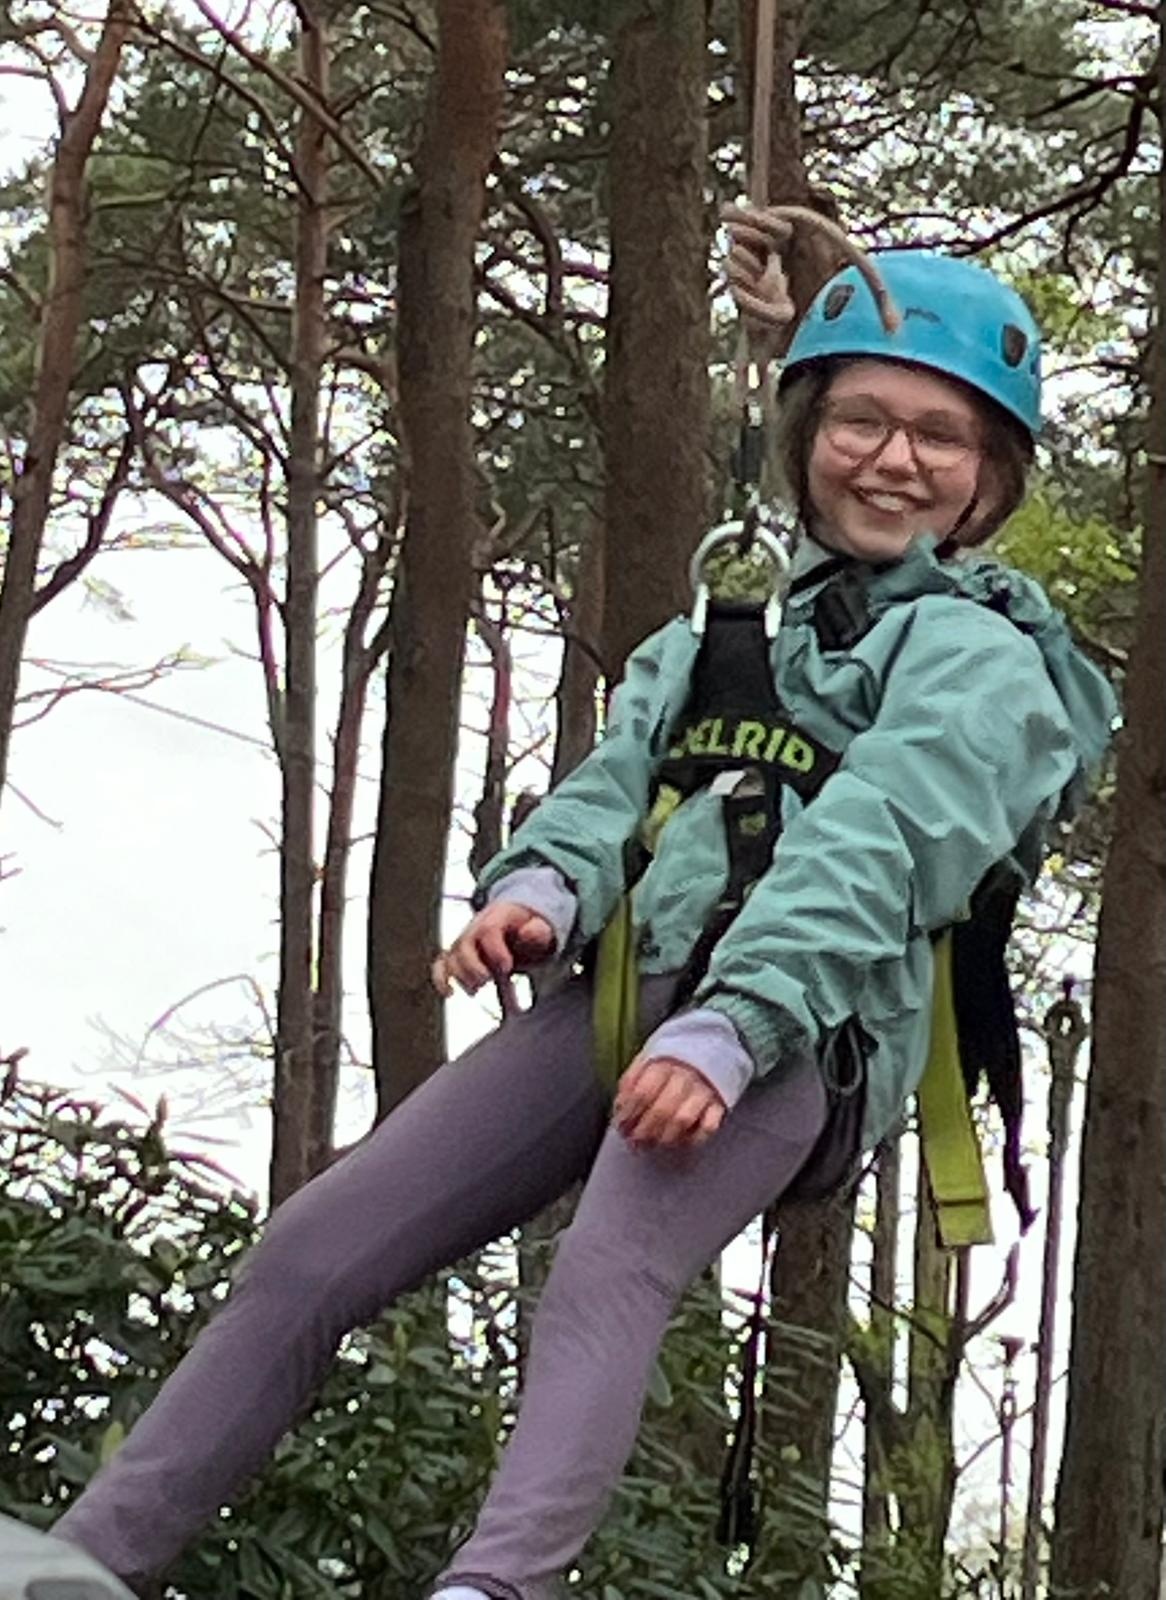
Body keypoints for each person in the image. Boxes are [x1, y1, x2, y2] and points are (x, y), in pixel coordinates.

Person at [1, 251, 1116, 1600]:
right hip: (629, 996)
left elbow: (878, 844)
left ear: (989, 477)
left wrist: (733, 1026)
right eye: (859, 421)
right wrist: (538, 893)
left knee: (607, 1264)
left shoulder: (982, 662)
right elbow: (619, 773)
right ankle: (86, 1565)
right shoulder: (733, 618)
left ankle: (497, 1587)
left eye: (937, 436)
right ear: (803, 434)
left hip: (804, 1034)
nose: (892, 460)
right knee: (315, 1245)